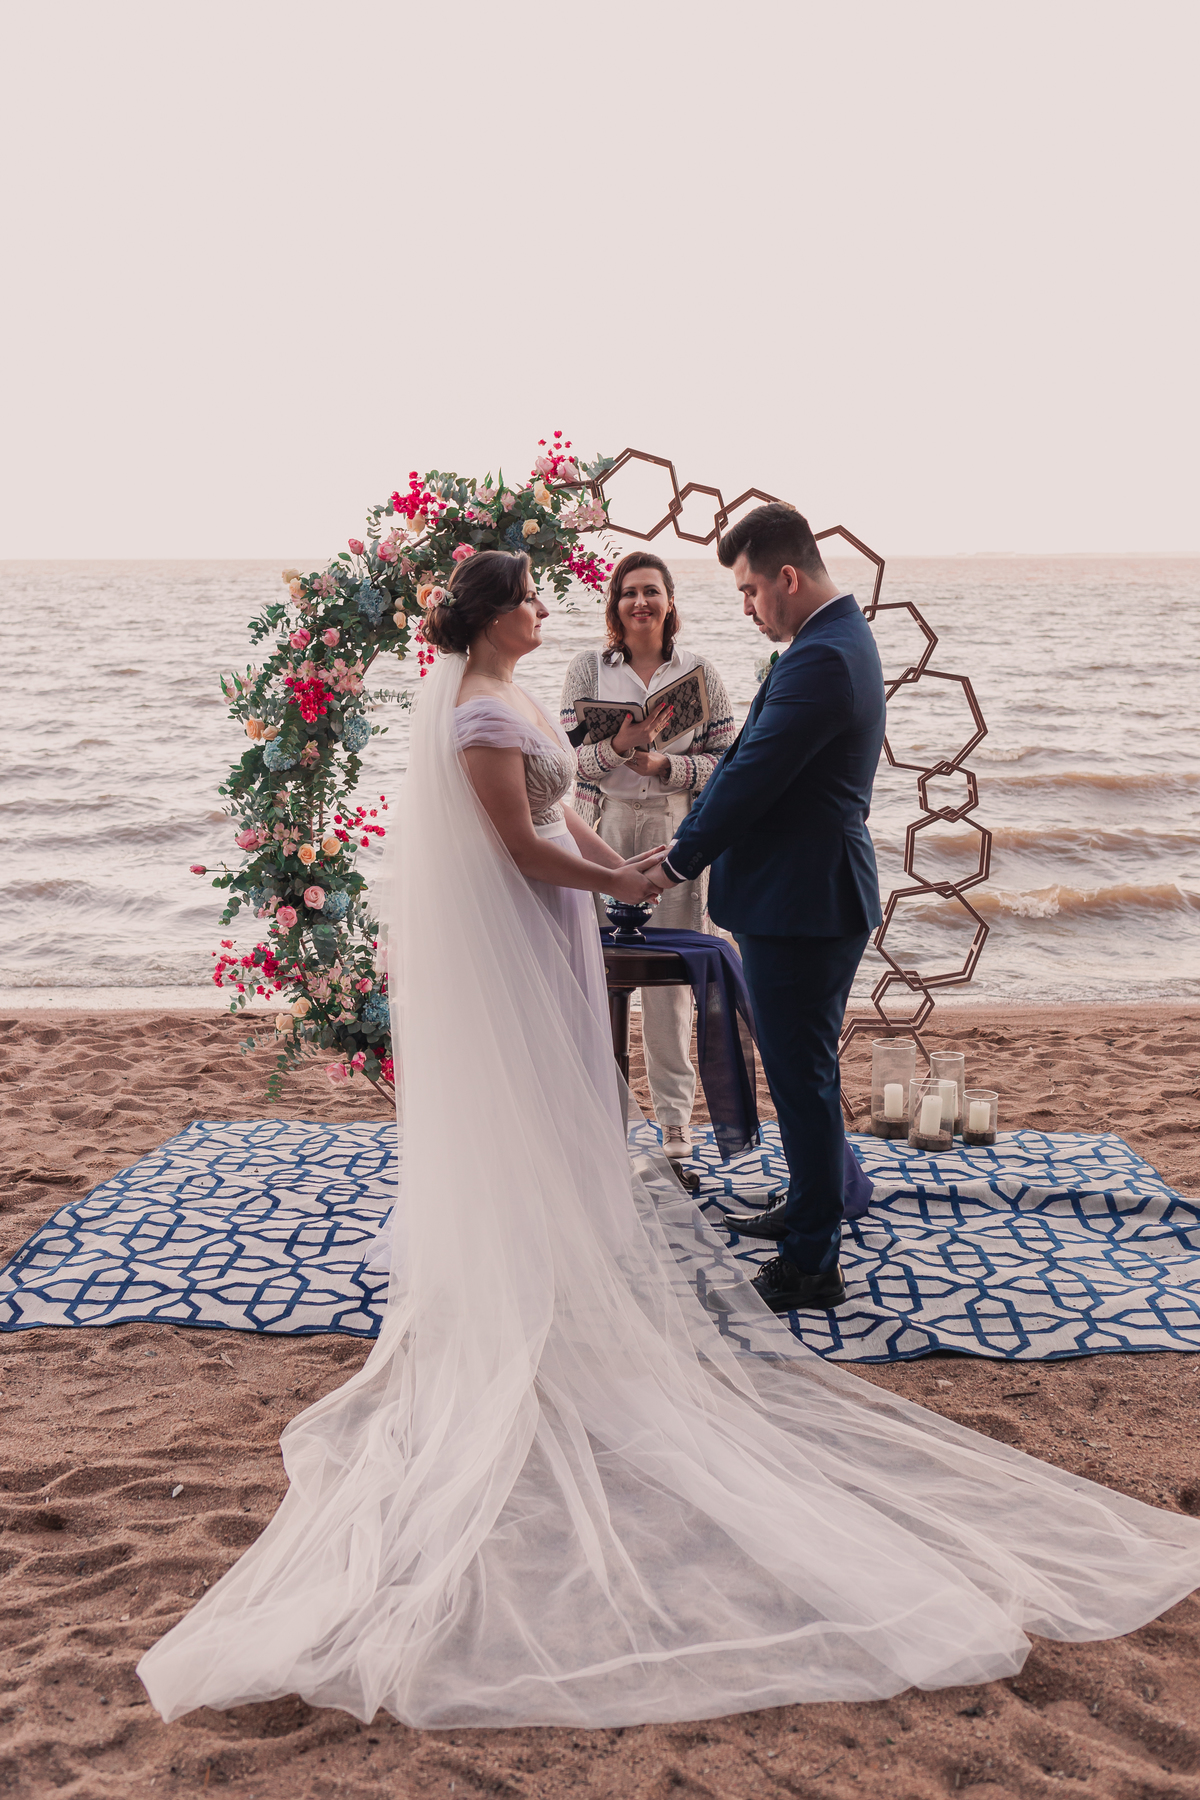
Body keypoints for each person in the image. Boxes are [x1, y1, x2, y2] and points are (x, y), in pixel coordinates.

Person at [137, 550, 1200, 1732]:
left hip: (565, 914)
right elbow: (521, 847)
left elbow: (569, 817)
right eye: (532, 596)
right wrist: (624, 877)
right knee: (541, 1097)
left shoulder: (524, 697)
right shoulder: (482, 714)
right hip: (529, 918)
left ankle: (599, 1235)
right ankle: (536, 1270)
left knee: (590, 1089)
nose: (552, 607)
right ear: (493, 619)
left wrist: (630, 871)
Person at [647, 504, 886, 1316]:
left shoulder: (823, 658)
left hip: (805, 901)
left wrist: (678, 860)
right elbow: (747, 759)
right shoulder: (821, 644)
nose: (747, 607)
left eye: (750, 591)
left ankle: (814, 1262)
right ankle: (810, 1208)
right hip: (799, 897)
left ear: (788, 577)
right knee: (797, 1076)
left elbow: (752, 778)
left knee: (804, 1078)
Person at [560, 553, 735, 1160]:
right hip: (600, 827)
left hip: (672, 831)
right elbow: (568, 763)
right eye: (630, 593)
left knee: (670, 985)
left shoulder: (700, 673)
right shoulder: (588, 670)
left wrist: (666, 765)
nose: (641, 603)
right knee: (593, 975)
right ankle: (596, 1122)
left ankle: (676, 1127)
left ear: (668, 602)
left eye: (652, 592)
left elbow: (727, 763)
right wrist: (617, 747)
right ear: (615, 605)